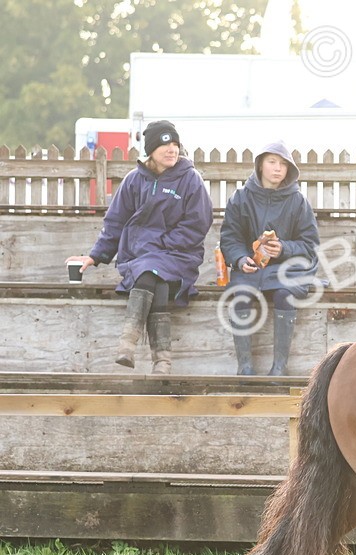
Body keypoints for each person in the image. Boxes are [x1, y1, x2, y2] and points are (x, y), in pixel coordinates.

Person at [67, 120, 213, 373]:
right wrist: (95, 256)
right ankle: (162, 360)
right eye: (165, 145)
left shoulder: (191, 180)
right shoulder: (134, 180)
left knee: (149, 273)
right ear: (151, 150)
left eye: (175, 144)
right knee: (154, 279)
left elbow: (197, 224)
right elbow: (115, 222)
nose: (172, 150)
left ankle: (128, 344)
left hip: (178, 257)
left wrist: (163, 244)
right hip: (139, 256)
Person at [219, 141, 320, 376]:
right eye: (272, 162)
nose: (277, 168)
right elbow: (230, 238)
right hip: (251, 269)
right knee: (241, 295)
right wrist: (240, 259)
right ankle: (244, 367)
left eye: (283, 164)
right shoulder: (240, 198)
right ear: (260, 165)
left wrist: (283, 248)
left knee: (285, 295)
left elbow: (310, 245)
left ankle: (279, 368)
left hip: (288, 270)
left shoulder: (298, 202)